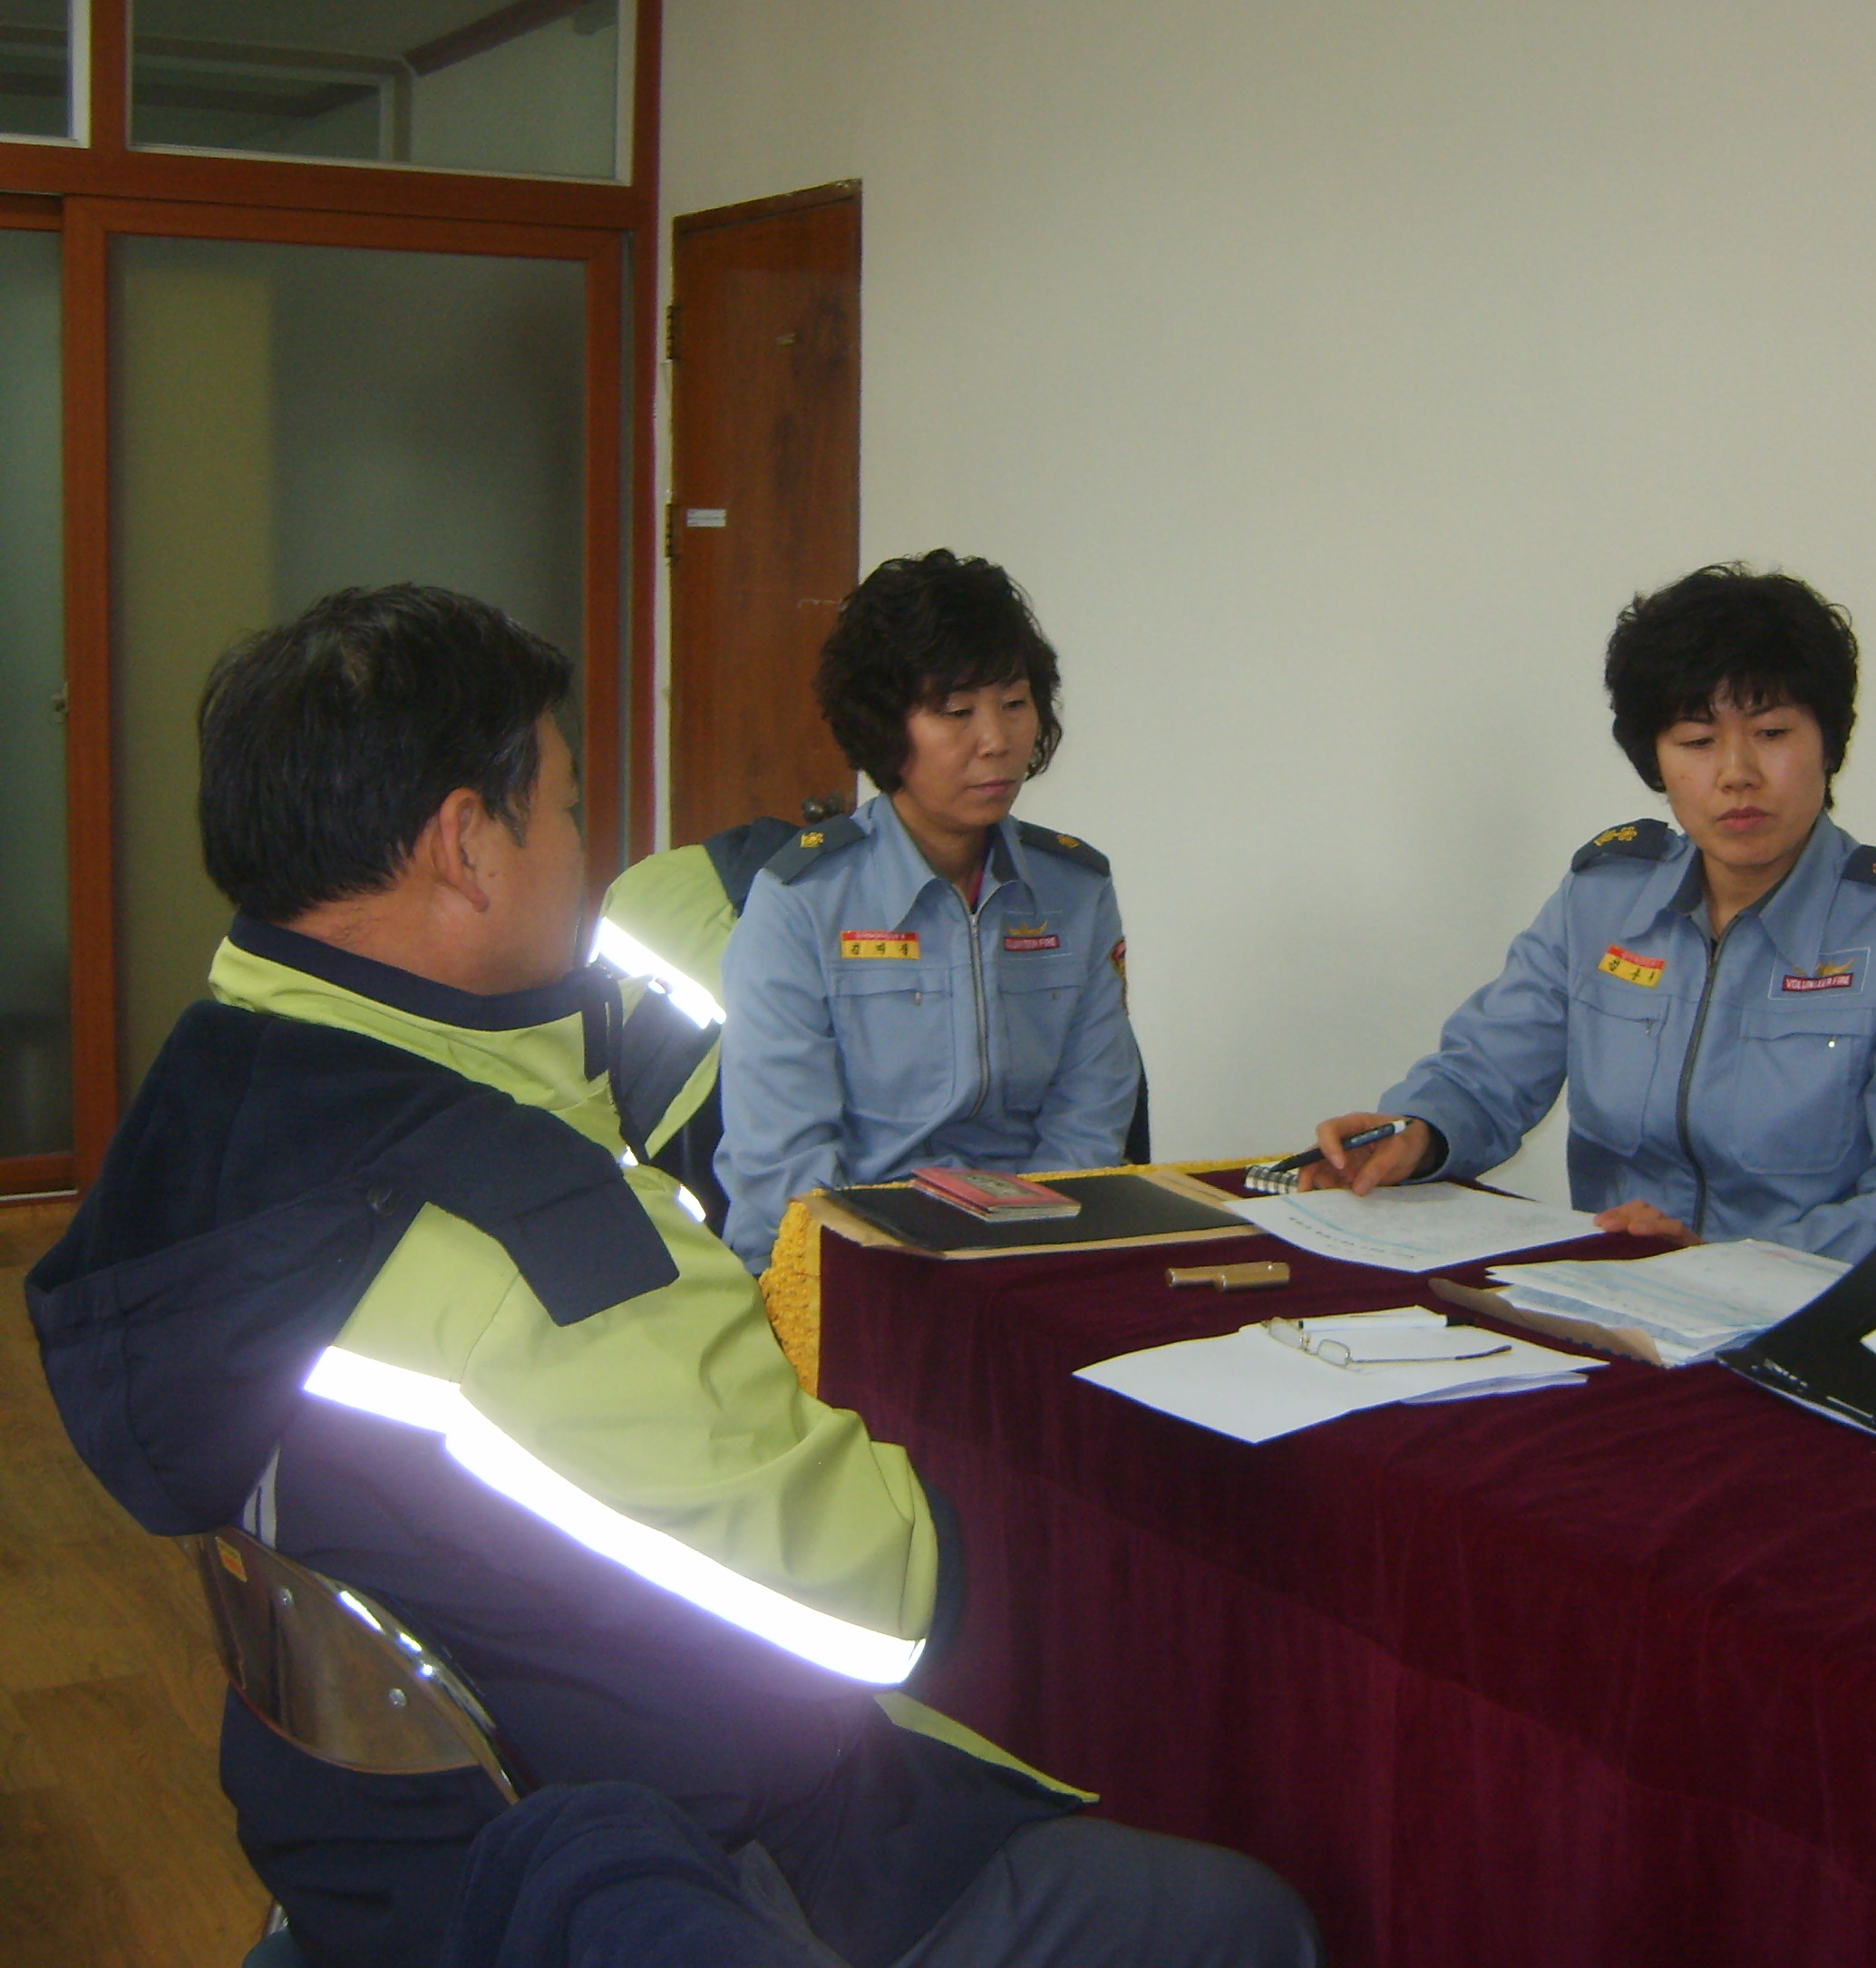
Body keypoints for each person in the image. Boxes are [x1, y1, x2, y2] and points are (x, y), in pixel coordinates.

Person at [26, 585, 1319, 1968]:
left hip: (378, 1830)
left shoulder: (205, 1100)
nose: (588, 860)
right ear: (467, 845)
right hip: (666, 1852)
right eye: (571, 811)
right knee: (1247, 1917)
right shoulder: (544, 1243)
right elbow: (879, 1602)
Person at [1300, 564, 1876, 1260]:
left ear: (1829, 743)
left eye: (1772, 732)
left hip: (1802, 1304)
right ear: (1656, 763)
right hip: (1612, 1289)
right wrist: (1417, 1133)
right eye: (1697, 741)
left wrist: (1720, 1260)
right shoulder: (1603, 899)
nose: (1737, 773)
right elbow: (1487, 1075)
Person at [716, 551, 1142, 1270]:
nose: (997, 741)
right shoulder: (802, 901)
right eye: (956, 712)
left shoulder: (1075, 889)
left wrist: (1027, 1257)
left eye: (1015, 703)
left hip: (1033, 1252)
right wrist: (893, 1282)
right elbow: (783, 1166)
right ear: (885, 726)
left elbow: (1090, 1118)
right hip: (852, 1262)